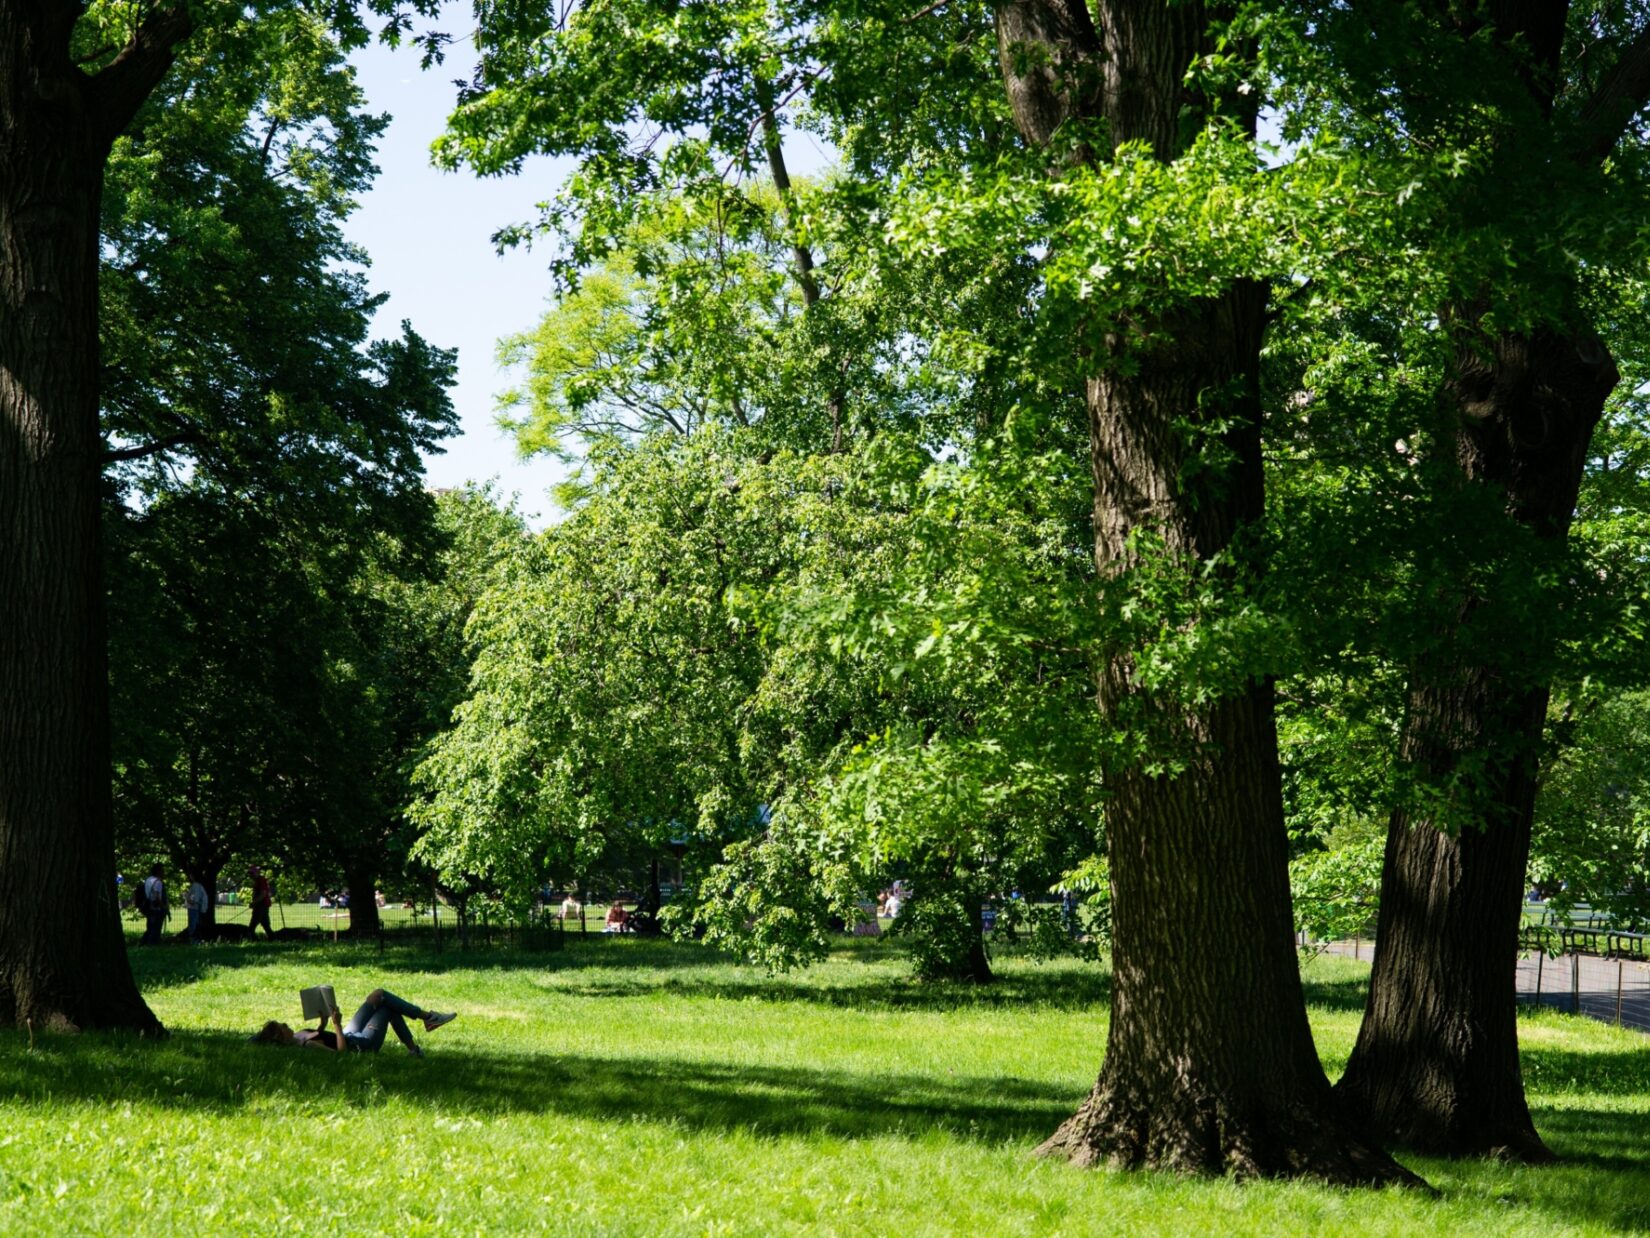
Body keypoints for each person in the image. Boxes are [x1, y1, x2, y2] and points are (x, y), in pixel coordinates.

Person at [250, 988, 458, 1057]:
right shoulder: (306, 1045)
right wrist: (337, 1025)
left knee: (378, 995)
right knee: (387, 1007)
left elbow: (320, 1034)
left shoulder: (299, 1036)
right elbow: (341, 1054)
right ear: (281, 1037)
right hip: (359, 1044)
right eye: (283, 1027)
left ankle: (420, 1039)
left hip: (350, 1033)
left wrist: (323, 1023)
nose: (287, 1025)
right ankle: (428, 1021)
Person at [141, 864, 168, 945]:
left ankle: (144, 942)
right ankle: (153, 943)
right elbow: (157, 896)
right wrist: (163, 906)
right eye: (163, 871)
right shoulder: (158, 882)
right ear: (159, 871)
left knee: (150, 926)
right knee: (156, 927)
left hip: (148, 906)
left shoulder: (148, 879)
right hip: (156, 907)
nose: (164, 873)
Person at [248, 865, 274, 938]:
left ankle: (254, 940)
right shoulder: (257, 881)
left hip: (261, 906)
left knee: (252, 926)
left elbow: (263, 894)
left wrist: (254, 903)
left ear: (257, 873)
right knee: (265, 925)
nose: (250, 875)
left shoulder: (261, 880)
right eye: (249, 873)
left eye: (252, 873)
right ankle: (273, 938)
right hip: (262, 905)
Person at [185, 878, 210, 944]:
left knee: (194, 924)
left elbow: (195, 900)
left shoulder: (196, 886)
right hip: (196, 908)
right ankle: (194, 940)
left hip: (195, 908)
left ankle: (194, 940)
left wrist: (188, 899)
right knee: (195, 924)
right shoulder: (197, 886)